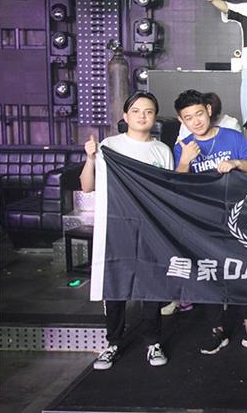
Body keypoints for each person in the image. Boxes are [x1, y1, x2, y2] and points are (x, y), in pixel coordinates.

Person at [173, 90, 247, 355]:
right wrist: (185, 161)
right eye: (188, 118)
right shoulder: (183, 146)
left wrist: (236, 162)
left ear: (208, 110)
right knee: (209, 274)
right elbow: (176, 186)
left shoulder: (232, 137)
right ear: (181, 120)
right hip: (204, 222)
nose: (196, 121)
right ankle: (217, 331)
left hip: (239, 217)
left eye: (199, 114)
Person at [80, 92, 172, 370]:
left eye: (148, 111)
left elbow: (168, 192)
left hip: (151, 228)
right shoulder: (109, 146)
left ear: (155, 117)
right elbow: (87, 186)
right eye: (136, 111)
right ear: (125, 116)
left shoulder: (162, 151)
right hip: (116, 226)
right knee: (114, 285)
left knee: (151, 286)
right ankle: (112, 343)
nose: (142, 116)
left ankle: (153, 342)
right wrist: (90, 158)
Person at [176, 92, 242, 142]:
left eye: (200, 114)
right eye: (189, 118)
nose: (197, 123)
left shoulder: (231, 125)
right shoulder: (185, 126)